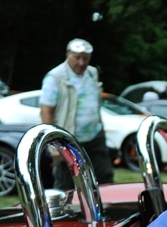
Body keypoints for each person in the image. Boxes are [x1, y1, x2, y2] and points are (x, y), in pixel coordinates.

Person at [39, 38, 115, 191]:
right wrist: (53, 145)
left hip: (95, 136)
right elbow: (46, 111)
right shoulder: (55, 77)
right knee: (66, 184)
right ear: (68, 55)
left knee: (104, 178)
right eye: (77, 58)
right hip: (68, 139)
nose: (81, 62)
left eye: (85, 59)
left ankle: (105, 210)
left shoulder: (92, 73)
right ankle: (66, 213)